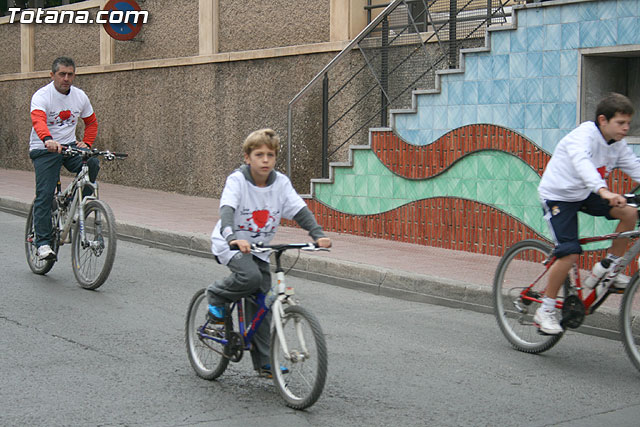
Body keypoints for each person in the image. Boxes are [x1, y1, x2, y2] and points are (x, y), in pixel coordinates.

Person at [207, 128, 331, 377]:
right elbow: (227, 210)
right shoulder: (238, 181)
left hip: (260, 249)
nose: (265, 160)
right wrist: (232, 237)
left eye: (270, 155)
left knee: (263, 302)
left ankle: (264, 362)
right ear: (247, 157)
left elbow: (299, 210)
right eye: (259, 155)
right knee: (250, 277)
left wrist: (317, 235)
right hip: (230, 244)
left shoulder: (281, 183)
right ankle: (216, 295)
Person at [536, 93, 640, 335]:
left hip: (587, 193)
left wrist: (602, 191)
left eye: (628, 123)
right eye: (621, 123)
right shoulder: (582, 137)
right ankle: (545, 310)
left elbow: (635, 167)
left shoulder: (617, 144)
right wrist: (603, 191)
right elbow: (583, 166)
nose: (626, 128)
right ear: (603, 120)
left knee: (629, 213)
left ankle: (608, 267)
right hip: (559, 196)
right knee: (569, 253)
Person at [29, 56, 99, 260]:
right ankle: (42, 244)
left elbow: (91, 122)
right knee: (45, 194)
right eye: (62, 74)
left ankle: (76, 205)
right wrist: (47, 139)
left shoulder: (80, 96)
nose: (66, 78)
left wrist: (87, 143)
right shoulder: (42, 95)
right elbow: (38, 120)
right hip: (44, 148)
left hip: (69, 146)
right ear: (52, 75)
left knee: (92, 162)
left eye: (70, 74)